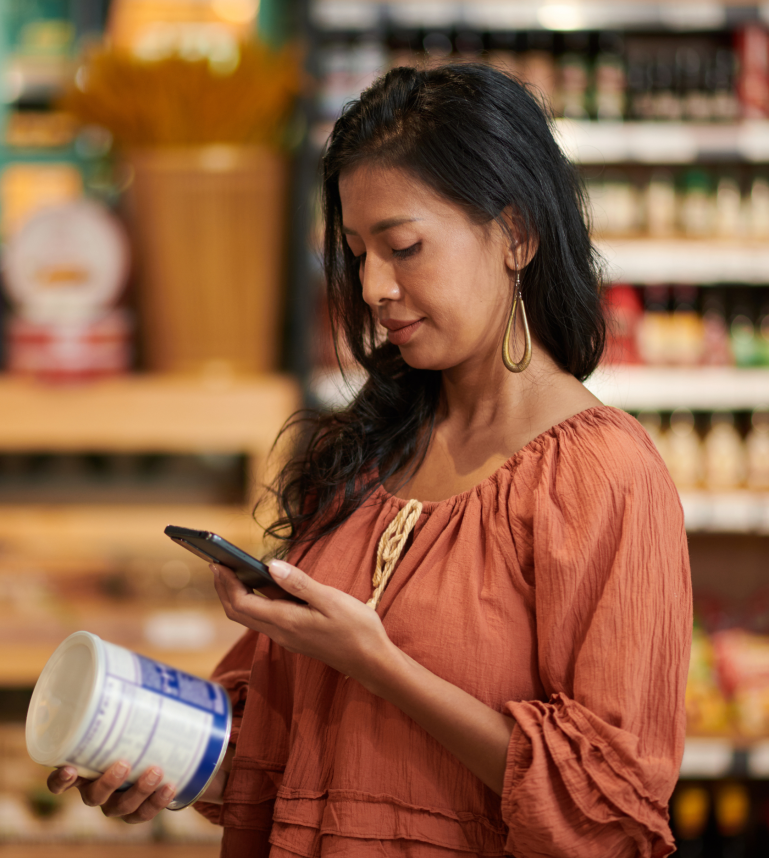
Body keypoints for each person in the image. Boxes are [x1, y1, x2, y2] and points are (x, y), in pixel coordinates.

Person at [47, 63, 691, 857]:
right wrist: (164, 760)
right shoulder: (362, 454)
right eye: (357, 253)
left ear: (516, 235)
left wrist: (376, 662)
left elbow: (608, 809)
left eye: (405, 247)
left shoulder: (603, 480)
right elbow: (299, 767)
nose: (375, 286)